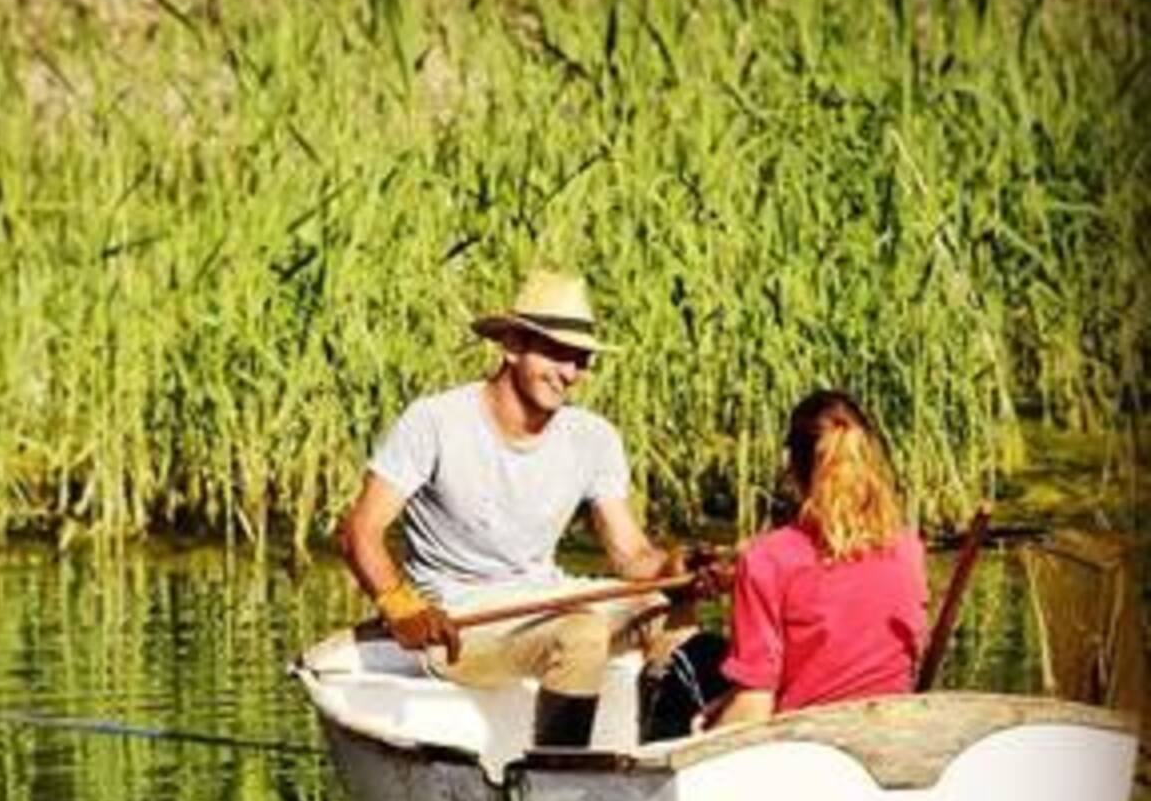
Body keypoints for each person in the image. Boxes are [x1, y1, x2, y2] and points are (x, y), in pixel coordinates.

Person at [339, 268, 707, 748]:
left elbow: (632, 557)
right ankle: (556, 773)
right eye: (555, 352)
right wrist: (400, 604)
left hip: (544, 597)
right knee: (581, 633)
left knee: (666, 606)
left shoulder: (593, 437)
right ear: (511, 345)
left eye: (581, 358)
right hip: (460, 624)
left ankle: (665, 756)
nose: (570, 373)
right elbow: (358, 531)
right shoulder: (435, 421)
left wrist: (681, 566)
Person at [705, 389, 928, 731]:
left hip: (809, 747)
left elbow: (754, 704)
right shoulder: (908, 549)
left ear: (792, 466)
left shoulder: (766, 559)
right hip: (890, 733)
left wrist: (704, 737)